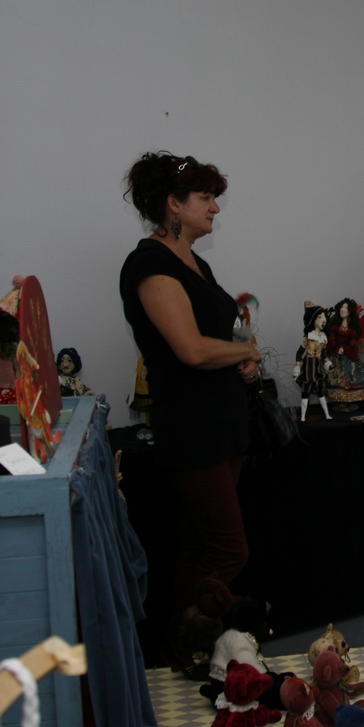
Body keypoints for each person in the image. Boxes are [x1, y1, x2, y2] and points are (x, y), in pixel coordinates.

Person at [119, 152, 262, 616]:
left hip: (222, 424)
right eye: (206, 197)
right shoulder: (150, 265)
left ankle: (195, 643)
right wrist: (245, 351)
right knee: (228, 550)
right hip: (193, 430)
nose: (215, 207)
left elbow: (214, 338)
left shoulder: (194, 262)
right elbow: (192, 350)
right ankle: (189, 636)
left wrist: (241, 358)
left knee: (200, 546)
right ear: (173, 204)